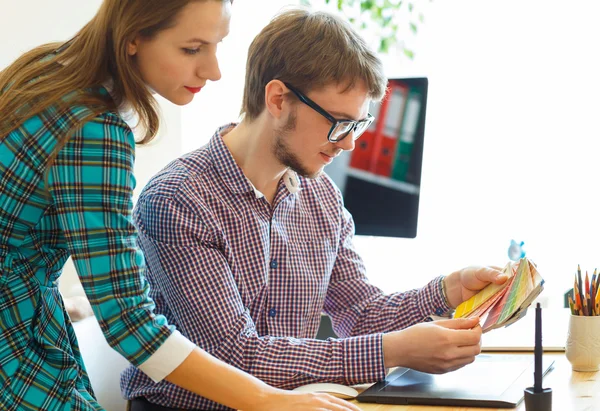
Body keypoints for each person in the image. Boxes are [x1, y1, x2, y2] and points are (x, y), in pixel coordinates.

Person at [121, 7, 509, 410]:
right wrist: (391, 351)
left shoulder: (321, 197)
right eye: (338, 122)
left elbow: (358, 315)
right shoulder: (177, 200)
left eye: (357, 125)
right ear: (277, 99)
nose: (348, 145)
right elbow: (235, 355)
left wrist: (447, 290)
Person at [0, 1, 362, 410]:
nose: (214, 70)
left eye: (217, 45)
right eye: (192, 49)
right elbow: (129, 320)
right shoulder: (95, 131)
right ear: (134, 36)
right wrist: (268, 400)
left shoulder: (47, 73)